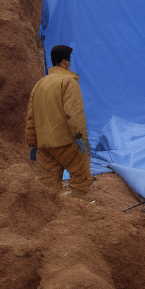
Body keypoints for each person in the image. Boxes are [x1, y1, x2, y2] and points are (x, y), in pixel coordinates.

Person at [24, 44, 93, 199]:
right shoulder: (68, 82)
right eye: (69, 62)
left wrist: (33, 143)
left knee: (48, 187)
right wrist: (81, 139)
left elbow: (31, 118)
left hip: (44, 146)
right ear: (64, 62)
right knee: (81, 177)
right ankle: (78, 211)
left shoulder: (39, 85)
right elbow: (74, 115)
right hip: (65, 143)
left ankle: (51, 217)